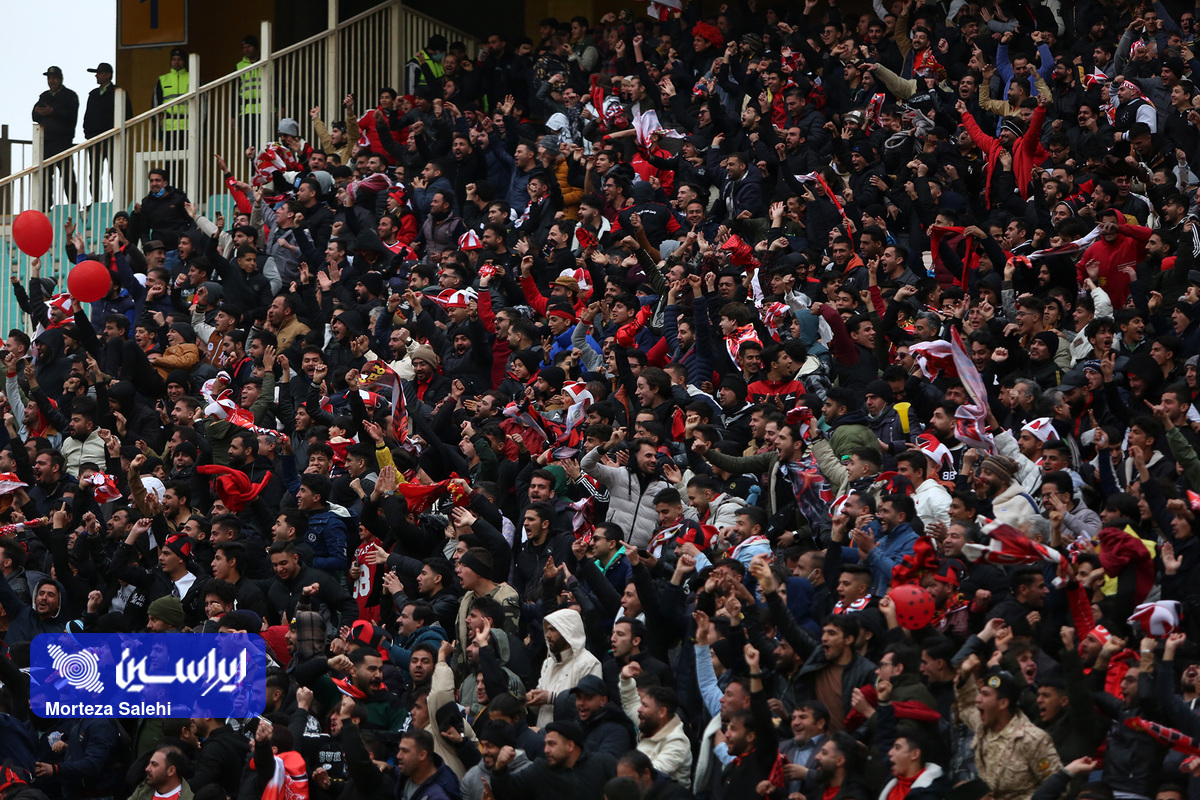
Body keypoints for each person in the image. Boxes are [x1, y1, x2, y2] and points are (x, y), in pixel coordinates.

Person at [153, 48, 190, 149]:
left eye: (179, 59)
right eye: (174, 59)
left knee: (190, 157)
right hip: (168, 127)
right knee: (169, 157)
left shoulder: (192, 78)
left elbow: (202, 103)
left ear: (184, 61)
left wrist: (202, 125)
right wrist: (156, 126)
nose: (176, 62)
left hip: (189, 126)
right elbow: (155, 105)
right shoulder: (163, 79)